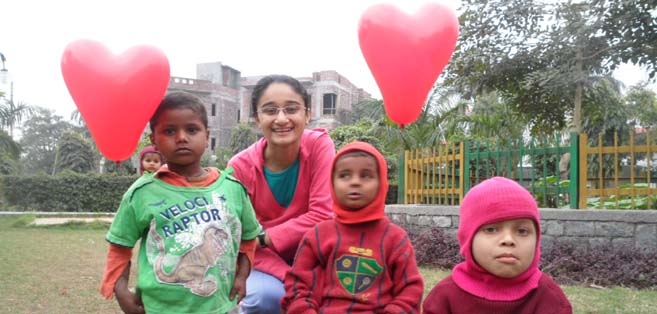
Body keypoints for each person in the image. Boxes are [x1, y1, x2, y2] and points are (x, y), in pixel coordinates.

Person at [99, 91, 262, 314]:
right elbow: (119, 247)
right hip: (158, 308)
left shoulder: (232, 188)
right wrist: (120, 290)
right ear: (154, 140)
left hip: (222, 306)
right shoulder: (142, 193)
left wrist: (242, 276)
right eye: (169, 131)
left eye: (192, 129)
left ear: (207, 136)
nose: (182, 137)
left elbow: (248, 238)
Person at [227, 75, 335, 313]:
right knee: (265, 298)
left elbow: (323, 215)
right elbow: (242, 240)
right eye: (270, 110)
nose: (282, 118)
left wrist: (265, 237)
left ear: (307, 115)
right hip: (262, 262)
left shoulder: (319, 146)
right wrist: (291, 277)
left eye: (291, 109)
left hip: (315, 257)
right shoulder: (239, 168)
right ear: (257, 118)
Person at [281, 141, 424, 313]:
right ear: (332, 183)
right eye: (345, 175)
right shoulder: (317, 236)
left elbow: (410, 290)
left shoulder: (395, 239)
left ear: (382, 183)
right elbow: (298, 287)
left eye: (366, 175)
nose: (355, 182)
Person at [423, 176, 572, 314]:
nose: (508, 239)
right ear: (468, 238)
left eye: (522, 231)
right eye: (491, 229)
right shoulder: (444, 297)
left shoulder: (550, 299)